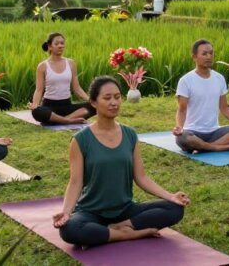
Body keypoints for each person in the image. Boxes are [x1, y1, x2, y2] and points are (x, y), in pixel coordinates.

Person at [55, 76, 189, 247]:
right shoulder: (81, 140)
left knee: (174, 209)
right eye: (107, 98)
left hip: (125, 210)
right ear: (94, 102)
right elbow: (75, 182)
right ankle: (128, 235)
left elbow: (141, 177)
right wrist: (66, 213)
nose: (114, 103)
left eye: (117, 97)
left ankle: (120, 228)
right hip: (91, 212)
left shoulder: (130, 134)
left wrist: (170, 196)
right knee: (70, 229)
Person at [172, 39, 229, 152]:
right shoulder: (186, 80)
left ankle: (204, 147)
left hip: (215, 132)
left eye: (211, 53)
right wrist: (179, 127)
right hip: (193, 133)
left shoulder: (219, 78)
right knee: (182, 138)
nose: (209, 57)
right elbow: (182, 110)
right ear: (194, 57)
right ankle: (216, 147)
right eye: (204, 54)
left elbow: (225, 108)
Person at [29, 33, 94, 125]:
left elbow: (77, 88)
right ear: (50, 47)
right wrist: (35, 104)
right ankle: (68, 120)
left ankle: (61, 119)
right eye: (57, 44)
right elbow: (39, 89)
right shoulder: (43, 66)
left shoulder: (71, 63)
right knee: (37, 112)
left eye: (62, 43)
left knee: (95, 106)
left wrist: (90, 100)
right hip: (49, 107)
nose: (60, 46)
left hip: (67, 106)